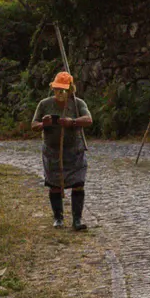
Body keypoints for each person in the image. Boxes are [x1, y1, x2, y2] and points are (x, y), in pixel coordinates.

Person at [31, 72, 93, 230]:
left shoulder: (78, 104)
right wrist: (43, 124)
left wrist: (73, 122)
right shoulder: (44, 104)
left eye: (63, 90)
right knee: (54, 185)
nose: (59, 93)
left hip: (75, 151)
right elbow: (33, 125)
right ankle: (58, 218)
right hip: (52, 152)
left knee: (78, 184)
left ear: (70, 90)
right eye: (57, 89)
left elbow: (88, 119)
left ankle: (77, 220)